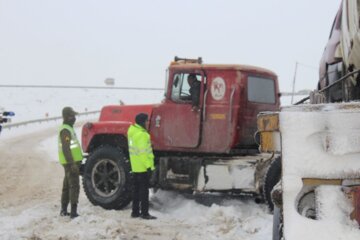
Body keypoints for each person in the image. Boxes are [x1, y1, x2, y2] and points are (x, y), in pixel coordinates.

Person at [127, 113, 157, 220]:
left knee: (136, 191)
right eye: (146, 121)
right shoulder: (142, 135)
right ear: (142, 122)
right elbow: (143, 153)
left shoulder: (132, 131)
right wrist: (149, 166)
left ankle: (135, 212)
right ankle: (145, 213)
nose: (148, 123)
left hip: (135, 166)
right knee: (144, 192)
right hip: (143, 167)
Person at [58, 106, 83, 219]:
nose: (74, 118)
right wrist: (72, 163)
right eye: (71, 116)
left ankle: (63, 210)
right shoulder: (66, 130)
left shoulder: (68, 128)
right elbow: (66, 148)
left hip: (71, 163)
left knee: (67, 186)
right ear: (66, 117)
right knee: (74, 186)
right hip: (70, 164)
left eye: (74, 116)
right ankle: (73, 212)